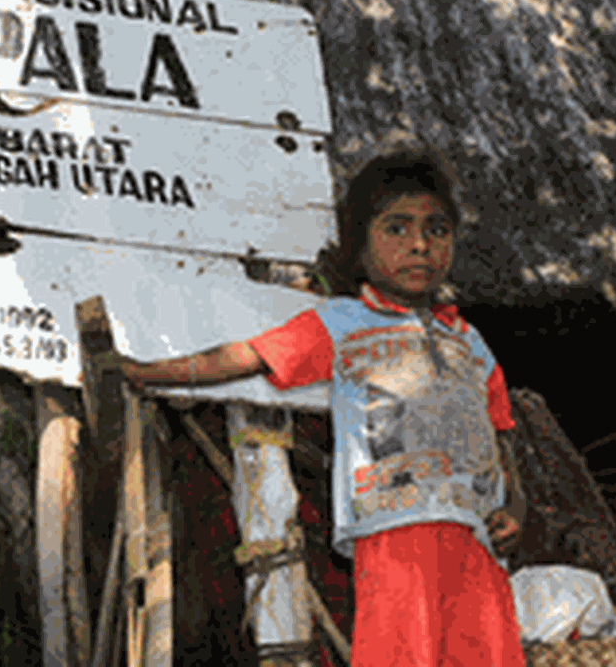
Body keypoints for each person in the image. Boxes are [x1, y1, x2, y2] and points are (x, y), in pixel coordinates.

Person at [110, 151, 527, 666]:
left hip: (476, 544)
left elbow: (501, 430)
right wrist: (146, 371)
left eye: (436, 229)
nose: (419, 245)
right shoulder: (342, 323)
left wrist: (518, 505)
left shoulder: (471, 342)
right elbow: (246, 357)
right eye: (397, 228)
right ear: (360, 245)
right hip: (393, 537)